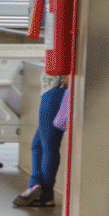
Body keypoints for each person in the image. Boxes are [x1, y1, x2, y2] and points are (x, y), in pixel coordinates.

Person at [14, 76, 67, 207]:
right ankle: (36, 184)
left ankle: (45, 194)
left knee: (49, 145)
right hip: (53, 89)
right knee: (38, 145)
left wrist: (70, 75)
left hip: (55, 89)